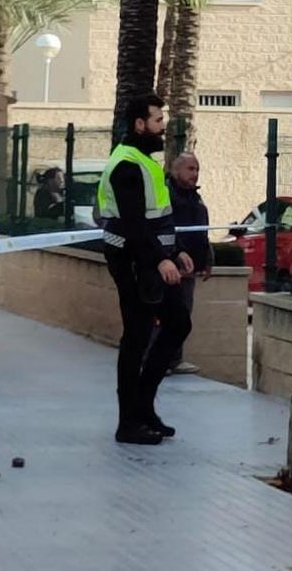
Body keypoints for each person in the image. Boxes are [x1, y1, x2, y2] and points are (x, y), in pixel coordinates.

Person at [98, 93, 193, 446]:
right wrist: (160, 259)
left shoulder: (144, 161)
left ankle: (144, 407)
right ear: (139, 124)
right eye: (157, 120)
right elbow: (136, 225)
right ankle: (129, 422)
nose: (163, 126)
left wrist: (178, 250)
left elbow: (160, 218)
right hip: (134, 262)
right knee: (136, 338)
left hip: (153, 259)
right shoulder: (126, 165)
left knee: (178, 323)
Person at [166, 153, 213, 375]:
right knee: (164, 314)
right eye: (190, 169)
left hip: (190, 268)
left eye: (197, 169)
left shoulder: (195, 197)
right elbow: (164, 228)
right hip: (169, 264)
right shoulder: (167, 195)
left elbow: (202, 229)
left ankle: (175, 359)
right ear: (176, 171)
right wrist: (177, 252)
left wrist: (208, 257)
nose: (195, 174)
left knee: (183, 313)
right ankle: (157, 360)